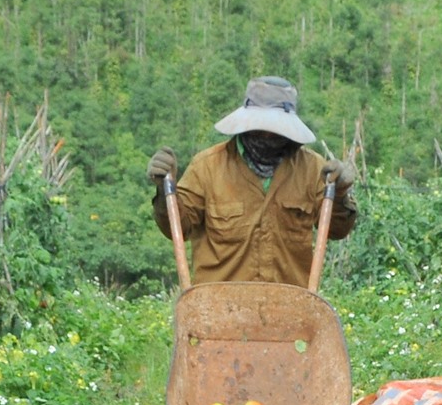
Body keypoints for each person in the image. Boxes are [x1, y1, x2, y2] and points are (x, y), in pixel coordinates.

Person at [147, 75, 358, 287]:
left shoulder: (312, 169)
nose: (267, 136)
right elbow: (178, 227)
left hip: (288, 310)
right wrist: (166, 190)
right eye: (260, 129)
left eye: (275, 131)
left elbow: (336, 230)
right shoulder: (207, 167)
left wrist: (340, 193)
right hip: (217, 310)